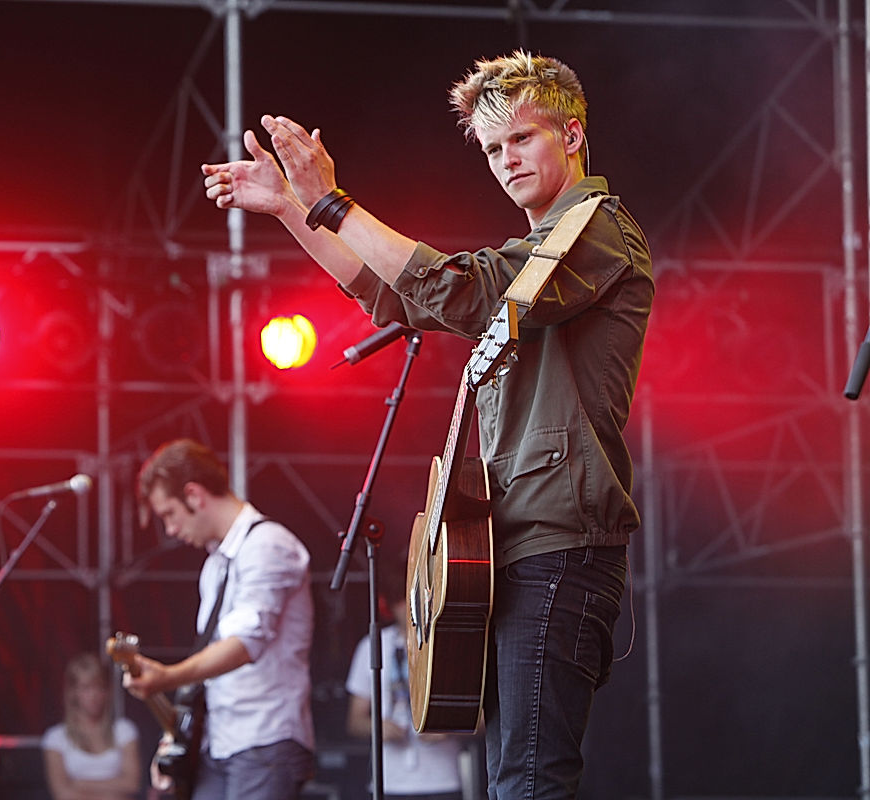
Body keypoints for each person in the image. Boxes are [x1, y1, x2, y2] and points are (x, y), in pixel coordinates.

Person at [201, 50, 653, 798]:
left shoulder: (595, 230)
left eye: (523, 139)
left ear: (572, 136)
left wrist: (334, 200)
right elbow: (397, 298)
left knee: (530, 779)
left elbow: (461, 293)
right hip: (520, 544)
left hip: (559, 545)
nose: (506, 161)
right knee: (514, 775)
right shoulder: (535, 248)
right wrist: (292, 208)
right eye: (493, 149)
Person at [122, 438, 315, 800]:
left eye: (169, 515)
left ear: (194, 495)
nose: (172, 530)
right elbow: (210, 666)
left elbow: (245, 644)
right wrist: (173, 738)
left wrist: (168, 676)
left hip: (265, 739)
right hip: (219, 742)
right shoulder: (215, 565)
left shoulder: (268, 545)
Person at [345, 563, 475, 800]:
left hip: (443, 778)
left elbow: (486, 717)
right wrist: (379, 727)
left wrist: (448, 728)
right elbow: (354, 721)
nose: (410, 608)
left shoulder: (450, 645)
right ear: (387, 605)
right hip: (389, 781)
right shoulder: (372, 646)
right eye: (402, 600)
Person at [43, 653, 142, 800]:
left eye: (99, 687)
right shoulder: (55, 738)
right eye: (86, 688)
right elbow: (63, 794)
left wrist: (80, 784)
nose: (94, 695)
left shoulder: (124, 731)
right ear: (73, 692)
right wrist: (112, 794)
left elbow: (132, 785)